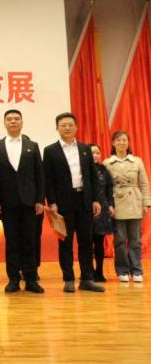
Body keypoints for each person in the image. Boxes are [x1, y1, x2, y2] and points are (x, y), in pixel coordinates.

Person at [44, 112, 105, 293]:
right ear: (57, 128)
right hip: (63, 203)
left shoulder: (85, 149)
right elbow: (48, 180)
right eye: (63, 125)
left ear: (76, 127)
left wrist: (96, 199)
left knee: (86, 241)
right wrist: (52, 202)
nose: (67, 128)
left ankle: (87, 279)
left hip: (84, 200)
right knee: (66, 243)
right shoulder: (50, 150)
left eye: (70, 124)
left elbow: (93, 176)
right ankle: (68, 279)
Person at [0, 110, 45, 294]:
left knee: (29, 241)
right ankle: (13, 279)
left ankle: (31, 279)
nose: (13, 122)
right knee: (11, 242)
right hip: (7, 202)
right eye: (9, 119)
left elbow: (39, 175)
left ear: (22, 122)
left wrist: (39, 199)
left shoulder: (32, 146)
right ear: (4, 123)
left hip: (29, 202)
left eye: (16, 119)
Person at [104, 131, 150, 283]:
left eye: (124, 140)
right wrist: (108, 205)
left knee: (135, 239)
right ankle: (122, 270)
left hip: (135, 201)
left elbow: (144, 183)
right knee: (120, 240)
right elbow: (104, 187)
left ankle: (136, 270)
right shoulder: (107, 163)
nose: (121, 143)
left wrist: (146, 203)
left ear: (128, 142)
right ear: (113, 143)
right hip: (117, 203)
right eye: (118, 140)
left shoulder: (137, 161)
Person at [90, 143, 114, 282]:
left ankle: (99, 272)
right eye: (92, 153)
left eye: (97, 153)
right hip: (87, 210)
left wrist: (110, 205)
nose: (95, 155)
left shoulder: (104, 169)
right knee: (87, 244)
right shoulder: (83, 169)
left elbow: (109, 189)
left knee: (99, 243)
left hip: (102, 210)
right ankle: (88, 272)